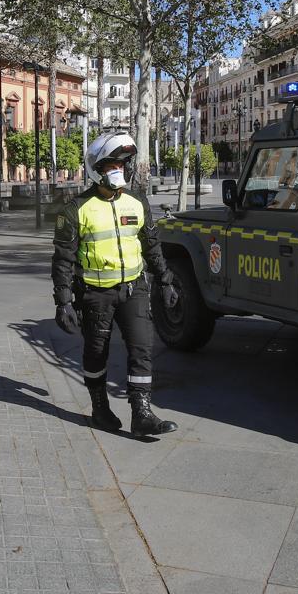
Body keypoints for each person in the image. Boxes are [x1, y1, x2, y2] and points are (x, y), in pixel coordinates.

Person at [51, 131, 179, 436]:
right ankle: (100, 408)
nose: (120, 170)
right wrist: (63, 301)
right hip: (95, 295)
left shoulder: (138, 202)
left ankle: (142, 413)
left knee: (142, 350)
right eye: (112, 165)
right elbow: (63, 259)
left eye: (124, 163)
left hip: (134, 289)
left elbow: (151, 245)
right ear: (97, 169)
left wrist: (166, 281)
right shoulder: (75, 210)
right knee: (96, 352)